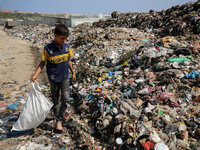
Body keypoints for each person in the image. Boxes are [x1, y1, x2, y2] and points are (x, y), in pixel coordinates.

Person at [30, 24, 76, 131]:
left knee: (65, 99)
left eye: (65, 38)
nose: (64, 41)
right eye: (62, 38)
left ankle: (59, 120)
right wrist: (35, 75)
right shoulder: (48, 49)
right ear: (55, 35)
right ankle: (57, 116)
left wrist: (73, 72)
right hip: (53, 78)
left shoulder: (66, 47)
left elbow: (68, 60)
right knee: (55, 100)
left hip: (65, 77)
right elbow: (42, 63)